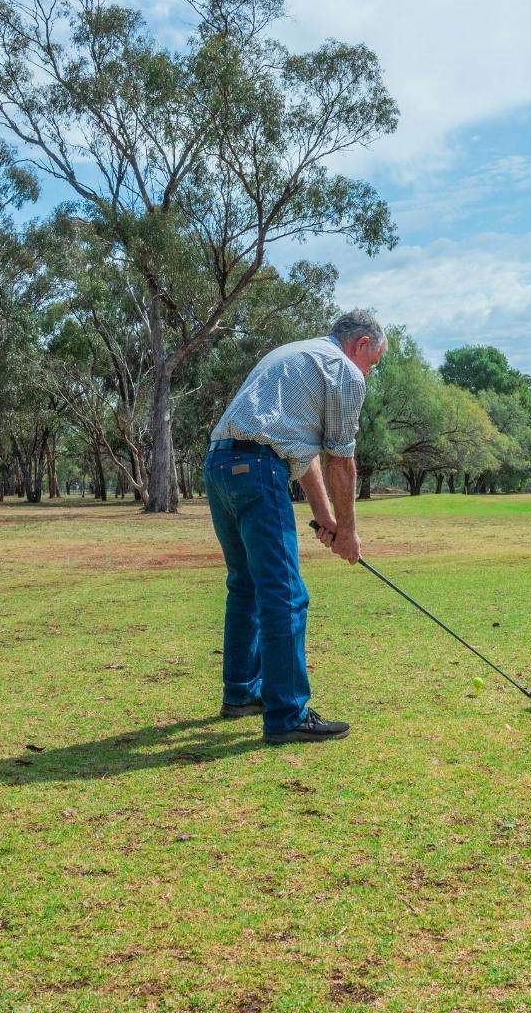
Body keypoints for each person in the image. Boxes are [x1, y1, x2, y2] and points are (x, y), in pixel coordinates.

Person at [202, 310, 388, 744]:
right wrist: (348, 532)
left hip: (220, 465)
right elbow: (341, 461)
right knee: (285, 593)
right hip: (258, 470)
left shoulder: (297, 353)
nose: (368, 373)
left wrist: (327, 519)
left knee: (246, 585)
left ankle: (241, 693)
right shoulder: (343, 370)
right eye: (373, 363)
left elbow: (301, 456)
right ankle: (287, 714)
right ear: (361, 344)